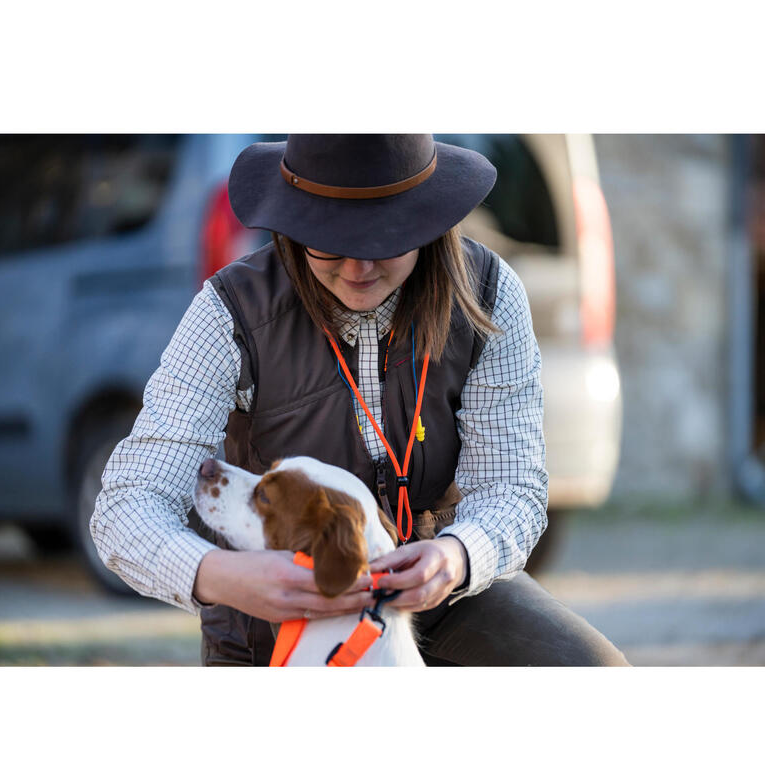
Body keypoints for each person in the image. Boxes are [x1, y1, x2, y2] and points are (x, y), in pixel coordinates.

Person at [91, 134, 629, 666]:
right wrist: (220, 576)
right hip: (275, 613)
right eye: (327, 241)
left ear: (428, 218)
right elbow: (125, 506)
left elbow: (513, 488)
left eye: (384, 240)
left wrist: (457, 556)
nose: (356, 268)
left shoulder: (488, 292)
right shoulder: (229, 311)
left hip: (440, 598)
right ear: (294, 219)